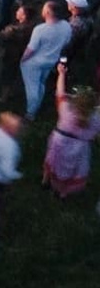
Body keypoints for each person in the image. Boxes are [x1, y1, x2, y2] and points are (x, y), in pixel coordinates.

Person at [42, 62, 100, 198]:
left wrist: (61, 74)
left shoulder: (66, 109)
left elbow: (60, 93)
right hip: (80, 147)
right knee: (73, 170)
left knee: (52, 161)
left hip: (60, 141)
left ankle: (45, 181)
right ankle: (62, 193)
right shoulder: (97, 118)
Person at [20, 1, 71, 119]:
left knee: (32, 87)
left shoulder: (40, 29)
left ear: (48, 12)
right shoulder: (66, 25)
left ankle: (31, 113)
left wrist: (23, 60)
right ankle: (38, 102)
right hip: (51, 61)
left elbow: (31, 49)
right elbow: (67, 42)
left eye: (44, 8)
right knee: (41, 83)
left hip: (34, 63)